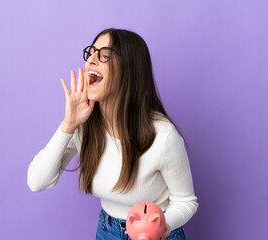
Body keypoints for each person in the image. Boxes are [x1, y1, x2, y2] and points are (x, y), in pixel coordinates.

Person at [27, 28, 199, 240]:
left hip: (156, 234)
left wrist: (163, 226)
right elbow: (37, 182)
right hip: (107, 230)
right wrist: (68, 124)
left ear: (130, 70)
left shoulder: (163, 135)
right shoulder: (83, 124)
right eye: (91, 53)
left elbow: (186, 202)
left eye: (104, 55)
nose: (91, 60)